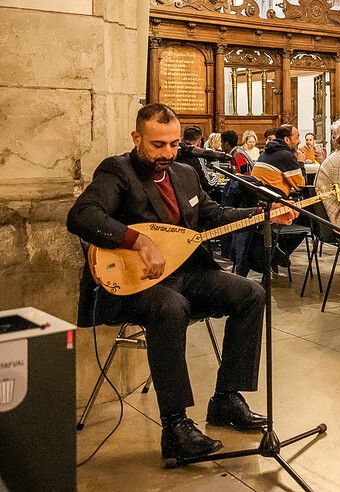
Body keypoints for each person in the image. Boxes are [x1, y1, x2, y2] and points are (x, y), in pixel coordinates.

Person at [66, 103, 298, 462]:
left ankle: (226, 399)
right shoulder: (118, 172)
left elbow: (212, 215)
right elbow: (82, 215)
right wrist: (138, 241)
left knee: (251, 293)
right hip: (135, 285)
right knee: (171, 307)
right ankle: (175, 426)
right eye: (158, 145)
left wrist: (261, 214)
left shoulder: (186, 172)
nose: (167, 153)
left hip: (187, 272)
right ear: (137, 138)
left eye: (174, 144)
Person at [252, 124, 305, 198]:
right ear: (286, 140)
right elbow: (301, 186)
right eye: (297, 137)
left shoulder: (267, 151)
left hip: (259, 197)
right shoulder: (286, 155)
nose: (299, 141)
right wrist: (300, 162)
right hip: (272, 201)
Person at [176, 125, 219, 193]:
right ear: (199, 142)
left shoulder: (174, 152)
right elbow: (207, 185)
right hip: (192, 195)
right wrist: (215, 177)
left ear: (182, 138)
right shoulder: (197, 156)